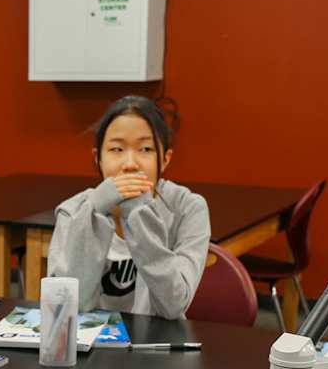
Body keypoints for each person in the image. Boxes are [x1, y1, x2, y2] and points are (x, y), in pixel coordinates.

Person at [46, 95, 209, 319]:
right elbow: (66, 307)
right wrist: (94, 212)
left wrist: (139, 213)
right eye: (116, 150)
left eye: (145, 149)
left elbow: (173, 305)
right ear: (98, 159)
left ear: (165, 159)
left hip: (158, 345)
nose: (130, 164)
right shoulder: (73, 211)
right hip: (92, 345)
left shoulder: (188, 209)